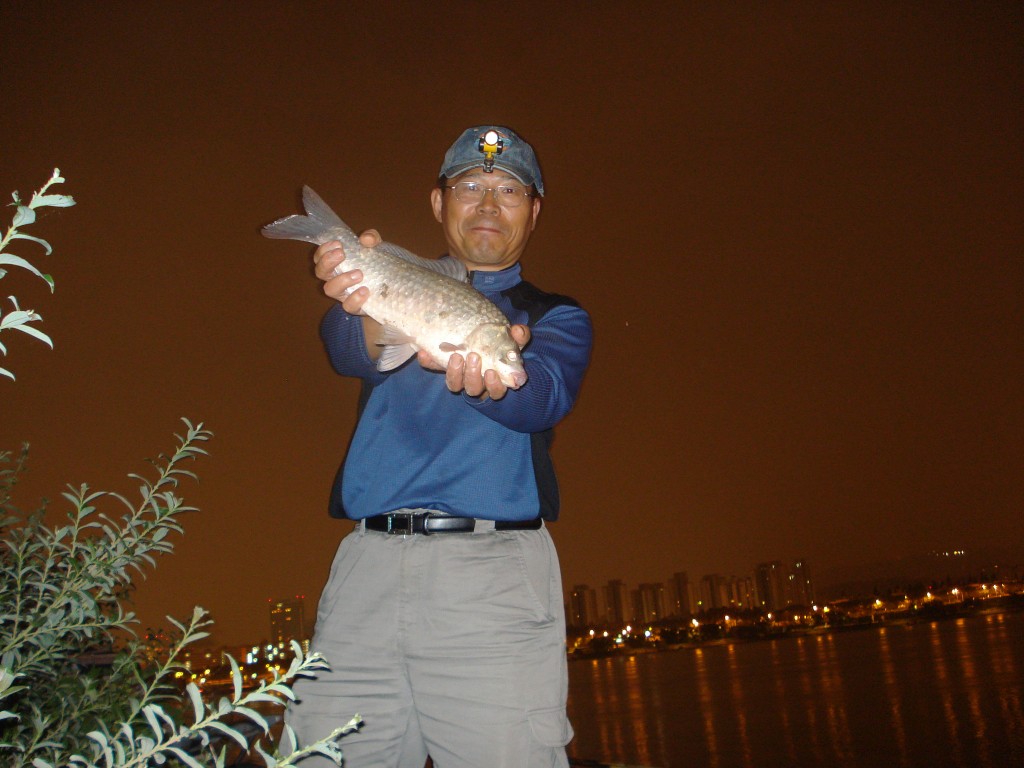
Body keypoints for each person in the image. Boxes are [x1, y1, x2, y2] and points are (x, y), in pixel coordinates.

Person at [288, 125, 593, 768]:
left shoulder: (554, 316)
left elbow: (539, 397)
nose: (488, 204)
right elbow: (349, 350)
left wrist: (492, 381)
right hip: (363, 580)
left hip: (493, 586)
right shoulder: (398, 284)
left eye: (509, 191)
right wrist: (355, 290)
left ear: (534, 212)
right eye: (471, 186)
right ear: (438, 203)